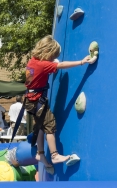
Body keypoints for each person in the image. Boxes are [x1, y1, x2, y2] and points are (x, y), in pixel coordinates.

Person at [24, 35, 91, 169]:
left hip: (30, 99)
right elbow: (61, 65)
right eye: (52, 56)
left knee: (40, 126)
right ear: (48, 53)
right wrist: (81, 62)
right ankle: (54, 155)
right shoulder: (44, 65)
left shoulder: (33, 61)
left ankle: (40, 153)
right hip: (37, 101)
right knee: (50, 124)